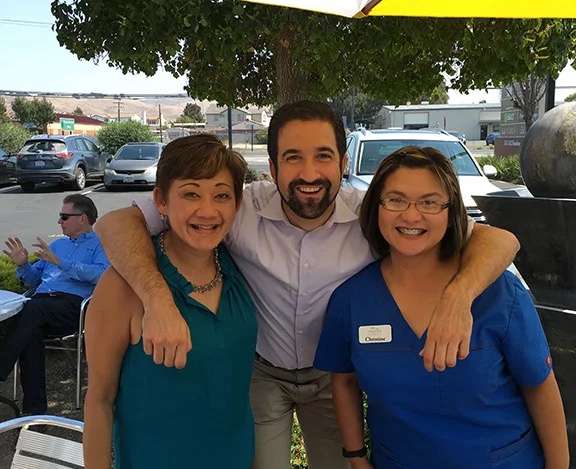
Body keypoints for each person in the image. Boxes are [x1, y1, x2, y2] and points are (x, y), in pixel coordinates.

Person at [94, 101, 520, 469]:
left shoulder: (372, 216)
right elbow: (116, 223)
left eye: (323, 156)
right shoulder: (234, 208)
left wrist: (458, 297)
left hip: (334, 375)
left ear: (342, 163)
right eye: (294, 158)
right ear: (273, 167)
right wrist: (156, 297)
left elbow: (501, 238)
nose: (310, 173)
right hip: (263, 373)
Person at [314, 146, 569, 469]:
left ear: (451, 214)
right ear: (376, 207)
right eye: (395, 199)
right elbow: (344, 381)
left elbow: (540, 386)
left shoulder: (499, 293)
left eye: (429, 202)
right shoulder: (352, 299)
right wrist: (356, 457)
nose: (411, 215)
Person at [83, 135, 257, 469]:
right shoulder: (123, 286)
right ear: (161, 200)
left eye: (222, 195)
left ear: (236, 204)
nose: (207, 210)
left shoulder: (239, 267)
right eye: (191, 193)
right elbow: (100, 400)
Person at [0, 194, 109, 415]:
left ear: (83, 218)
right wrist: (22, 265)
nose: (59, 221)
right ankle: (35, 413)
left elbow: (100, 275)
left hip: (71, 306)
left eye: (64, 216)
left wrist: (61, 263)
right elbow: (33, 280)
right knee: (28, 330)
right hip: (39, 307)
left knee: (29, 312)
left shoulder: (101, 245)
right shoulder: (58, 245)